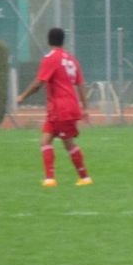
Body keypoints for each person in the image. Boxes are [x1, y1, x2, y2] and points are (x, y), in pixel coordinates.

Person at [16, 27, 92, 187]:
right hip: (62, 108)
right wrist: (85, 107)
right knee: (45, 140)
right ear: (63, 41)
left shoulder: (50, 58)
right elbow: (80, 84)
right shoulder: (71, 59)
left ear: (48, 40)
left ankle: (85, 178)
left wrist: (22, 96)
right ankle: (50, 179)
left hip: (61, 108)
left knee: (68, 143)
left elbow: (38, 83)